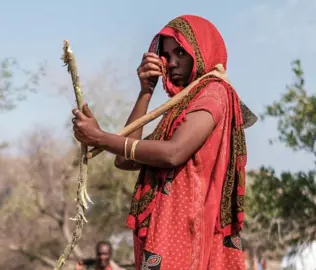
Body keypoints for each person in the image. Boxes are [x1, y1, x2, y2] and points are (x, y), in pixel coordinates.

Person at [71, 15, 254, 269]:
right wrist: (146, 90)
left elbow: (173, 153)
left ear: (201, 50)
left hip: (185, 229)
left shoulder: (214, 92)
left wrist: (101, 137)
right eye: (167, 55)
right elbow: (125, 159)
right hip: (167, 227)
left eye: (180, 51)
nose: (172, 62)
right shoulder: (182, 105)